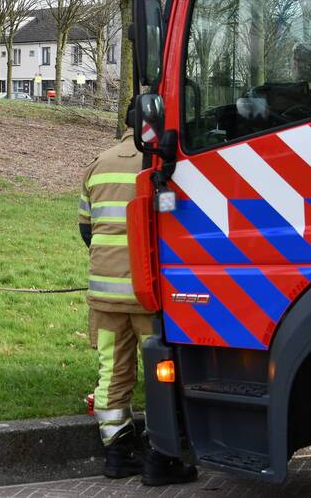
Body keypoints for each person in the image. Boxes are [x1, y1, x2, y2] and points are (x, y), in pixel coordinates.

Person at [79, 100, 197, 486]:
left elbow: (86, 229)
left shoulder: (98, 163)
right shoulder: (161, 165)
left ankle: (116, 454)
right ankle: (162, 456)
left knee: (112, 371)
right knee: (161, 374)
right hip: (147, 294)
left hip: (104, 294)